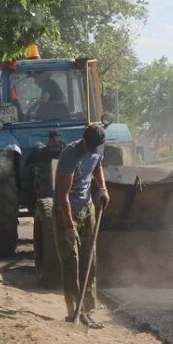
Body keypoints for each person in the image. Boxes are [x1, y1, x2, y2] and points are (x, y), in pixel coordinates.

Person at [55, 124, 110, 328]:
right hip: (67, 210)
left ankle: (87, 310)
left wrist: (102, 188)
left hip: (88, 208)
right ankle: (73, 312)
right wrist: (69, 227)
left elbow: (97, 166)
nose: (94, 151)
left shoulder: (97, 148)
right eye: (91, 147)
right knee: (72, 260)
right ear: (83, 140)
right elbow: (63, 196)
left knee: (90, 260)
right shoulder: (70, 154)